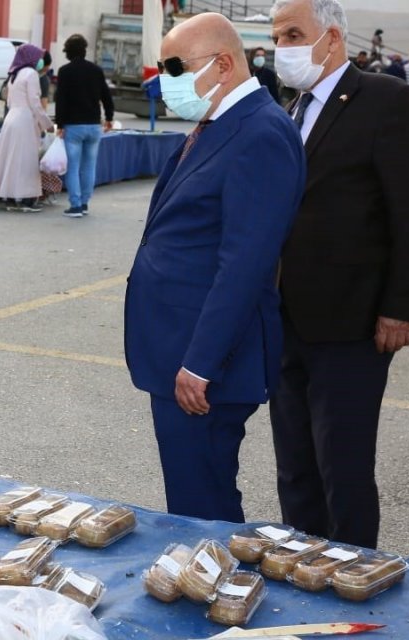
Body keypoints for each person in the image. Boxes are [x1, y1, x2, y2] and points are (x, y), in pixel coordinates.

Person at [124, 12, 305, 524]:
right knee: (191, 493)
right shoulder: (217, 123)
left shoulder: (260, 134)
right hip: (178, 349)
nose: (165, 81)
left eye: (175, 67)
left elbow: (244, 265)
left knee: (203, 501)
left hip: (206, 366)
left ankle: (214, 590)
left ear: (223, 64)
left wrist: (201, 363)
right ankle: (206, 580)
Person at [270, 0, 409, 549]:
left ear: (333, 38)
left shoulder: (387, 101)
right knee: (294, 463)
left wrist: (402, 306)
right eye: (278, 36)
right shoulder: (292, 107)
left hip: (353, 321)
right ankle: (303, 560)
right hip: (285, 317)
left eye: (294, 34)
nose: (282, 48)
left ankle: (352, 570)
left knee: (342, 465)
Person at [0, 44, 55, 212]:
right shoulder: (31, 74)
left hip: (11, 119)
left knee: (11, 159)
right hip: (24, 120)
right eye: (38, 57)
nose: (40, 61)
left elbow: (10, 102)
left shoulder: (13, 75)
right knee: (26, 161)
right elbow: (35, 103)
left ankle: (9, 197)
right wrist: (47, 124)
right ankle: (26, 199)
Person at [55, 34, 115, 217]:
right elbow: (106, 96)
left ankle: (75, 206)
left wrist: (60, 124)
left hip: (73, 126)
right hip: (93, 125)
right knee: (89, 166)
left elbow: (61, 100)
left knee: (73, 167)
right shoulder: (96, 70)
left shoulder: (65, 71)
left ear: (68, 52)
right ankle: (85, 202)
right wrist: (109, 117)